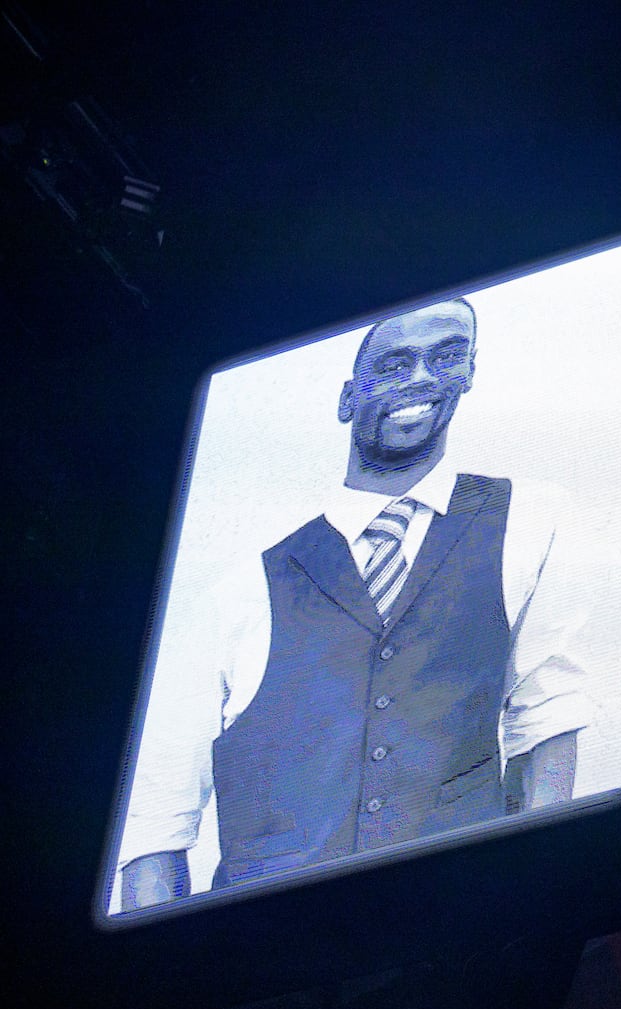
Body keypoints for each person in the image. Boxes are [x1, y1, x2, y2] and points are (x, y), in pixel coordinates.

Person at [119, 298, 595, 909]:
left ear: (470, 372)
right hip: (272, 967)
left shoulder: (532, 520)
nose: (422, 377)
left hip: (456, 932)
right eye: (395, 363)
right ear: (347, 399)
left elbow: (548, 721)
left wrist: (532, 903)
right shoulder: (237, 594)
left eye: (446, 355)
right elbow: (157, 822)